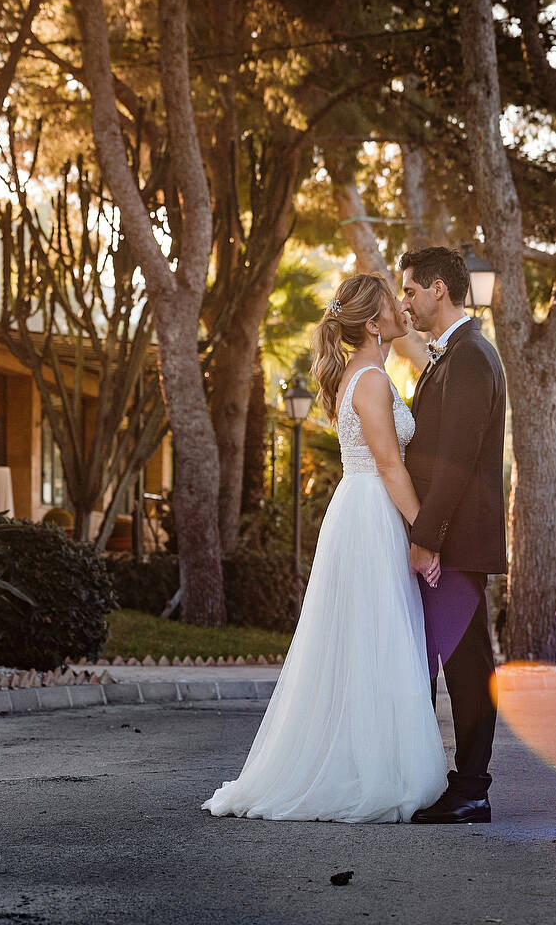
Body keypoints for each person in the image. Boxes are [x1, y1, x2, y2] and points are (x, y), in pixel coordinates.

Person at [201, 273, 447, 823]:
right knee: (376, 633)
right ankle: (371, 771)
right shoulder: (372, 381)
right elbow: (388, 463)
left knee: (363, 637)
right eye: (393, 303)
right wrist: (423, 535)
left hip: (357, 506)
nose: (403, 309)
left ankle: (364, 760)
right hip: (372, 510)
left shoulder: (360, 375)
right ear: (372, 323)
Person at [398, 245, 508, 825]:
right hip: (451, 538)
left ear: (439, 289)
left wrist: (428, 535)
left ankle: (472, 789)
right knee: (450, 662)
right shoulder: (452, 355)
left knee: (468, 666)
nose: (405, 302)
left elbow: (458, 462)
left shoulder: (469, 357)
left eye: (411, 291)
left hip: (458, 542)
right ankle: (455, 780)